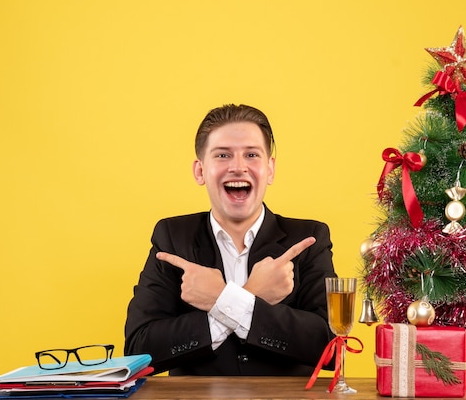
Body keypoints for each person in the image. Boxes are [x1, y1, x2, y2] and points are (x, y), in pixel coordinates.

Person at [124, 104, 337, 376]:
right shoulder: (172, 236)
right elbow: (138, 350)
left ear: (270, 169)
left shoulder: (308, 239)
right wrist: (249, 297)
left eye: (252, 154)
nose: (238, 167)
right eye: (223, 155)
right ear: (200, 171)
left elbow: (331, 349)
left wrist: (222, 299)